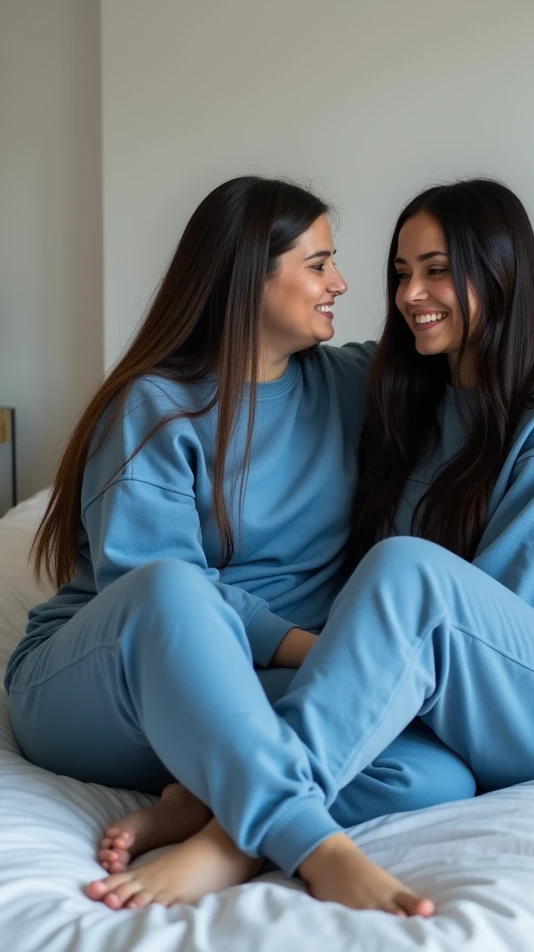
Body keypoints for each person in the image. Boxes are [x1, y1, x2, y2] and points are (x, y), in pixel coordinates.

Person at [84, 177, 534, 912]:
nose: (411, 293)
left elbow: (498, 616)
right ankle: (212, 792)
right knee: (428, 777)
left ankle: (228, 835)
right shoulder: (407, 398)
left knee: (407, 574)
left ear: (501, 271)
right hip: (459, 691)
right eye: (402, 272)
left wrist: (366, 665)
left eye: (438, 269)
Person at [6, 177, 478, 917]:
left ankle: (208, 807)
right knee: (173, 589)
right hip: (108, 685)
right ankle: (317, 850)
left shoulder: (356, 385)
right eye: (318, 264)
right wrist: (308, 649)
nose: (342, 284)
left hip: (238, 693)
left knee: (434, 768)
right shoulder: (155, 406)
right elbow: (154, 589)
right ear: (245, 278)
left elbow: (486, 372)